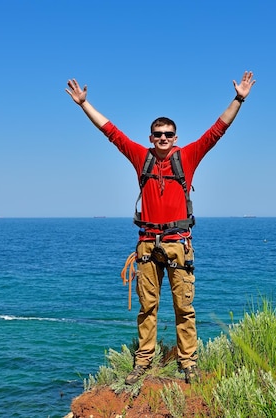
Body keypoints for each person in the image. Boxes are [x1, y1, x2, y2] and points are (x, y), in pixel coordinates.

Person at [65, 71, 256, 384]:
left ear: (176, 137)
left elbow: (217, 131)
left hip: (179, 244)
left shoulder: (188, 157)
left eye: (168, 133)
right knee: (147, 309)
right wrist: (84, 105)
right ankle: (143, 362)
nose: (164, 138)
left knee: (185, 308)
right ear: (150, 137)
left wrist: (239, 99)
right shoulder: (142, 157)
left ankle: (188, 363)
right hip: (147, 245)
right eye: (158, 134)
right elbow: (111, 132)